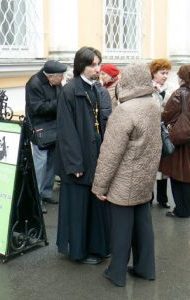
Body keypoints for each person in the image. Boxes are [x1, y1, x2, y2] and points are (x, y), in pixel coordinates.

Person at [92, 63, 162, 287]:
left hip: (124, 180)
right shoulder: (152, 104)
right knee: (143, 226)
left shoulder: (124, 110)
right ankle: (145, 268)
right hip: (145, 177)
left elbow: (111, 153)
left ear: (129, 80)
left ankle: (117, 273)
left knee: (121, 229)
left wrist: (99, 186)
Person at [55, 46, 112, 264]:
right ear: (81, 66)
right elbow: (66, 132)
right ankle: (80, 251)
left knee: (95, 206)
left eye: (99, 64)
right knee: (79, 208)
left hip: (95, 155)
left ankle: (97, 246)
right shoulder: (69, 91)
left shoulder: (97, 89)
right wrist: (75, 164)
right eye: (93, 65)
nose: (98, 69)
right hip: (78, 161)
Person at [25, 60, 67, 213]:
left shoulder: (55, 83)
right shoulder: (34, 83)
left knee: (51, 162)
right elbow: (37, 107)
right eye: (60, 76)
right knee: (40, 165)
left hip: (54, 128)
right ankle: (36, 199)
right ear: (50, 76)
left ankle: (46, 193)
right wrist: (59, 103)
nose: (62, 79)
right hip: (40, 129)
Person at [159, 65, 190, 218]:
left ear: (182, 78)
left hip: (180, 141)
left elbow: (166, 115)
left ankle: (182, 210)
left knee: (178, 175)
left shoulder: (180, 93)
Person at [150, 59, 172, 208]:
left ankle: (163, 199)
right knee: (150, 166)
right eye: (162, 72)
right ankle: (149, 197)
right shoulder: (148, 87)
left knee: (163, 166)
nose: (165, 76)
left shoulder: (170, 88)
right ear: (154, 73)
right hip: (151, 130)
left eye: (166, 73)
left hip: (164, 130)